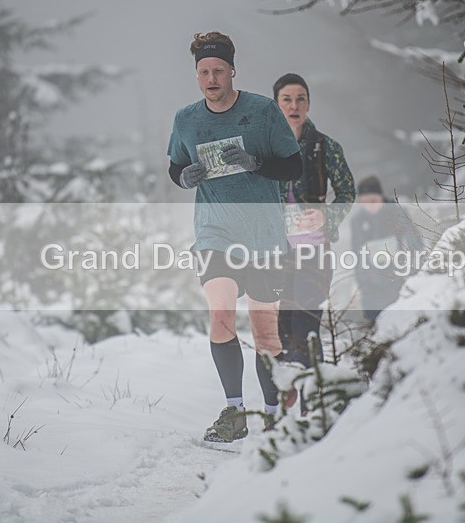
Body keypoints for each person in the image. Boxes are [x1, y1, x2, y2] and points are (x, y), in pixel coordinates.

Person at [167, 32, 302, 443]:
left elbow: (292, 167)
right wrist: (184, 176)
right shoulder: (186, 119)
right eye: (204, 72)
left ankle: (276, 413)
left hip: (263, 236)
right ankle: (234, 411)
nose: (211, 78)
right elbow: (175, 167)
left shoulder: (262, 111)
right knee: (221, 317)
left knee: (265, 335)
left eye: (218, 71)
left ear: (231, 72)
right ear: (197, 75)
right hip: (214, 232)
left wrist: (255, 162)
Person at [273, 73, 355, 369]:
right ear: (276, 104)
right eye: (286, 99)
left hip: (314, 251)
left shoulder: (325, 146)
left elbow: (347, 192)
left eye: (300, 99)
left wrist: (326, 215)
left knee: (305, 326)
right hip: (276, 252)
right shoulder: (267, 148)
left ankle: (315, 402)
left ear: (308, 103)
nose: (294, 105)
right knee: (280, 333)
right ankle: (287, 406)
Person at [350, 176, 421, 325]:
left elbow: (415, 243)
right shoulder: (358, 221)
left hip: (397, 285)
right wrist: (361, 284)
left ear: (381, 196)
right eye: (364, 202)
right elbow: (357, 255)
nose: (370, 206)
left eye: (373, 201)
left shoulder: (397, 213)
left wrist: (410, 274)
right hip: (371, 290)